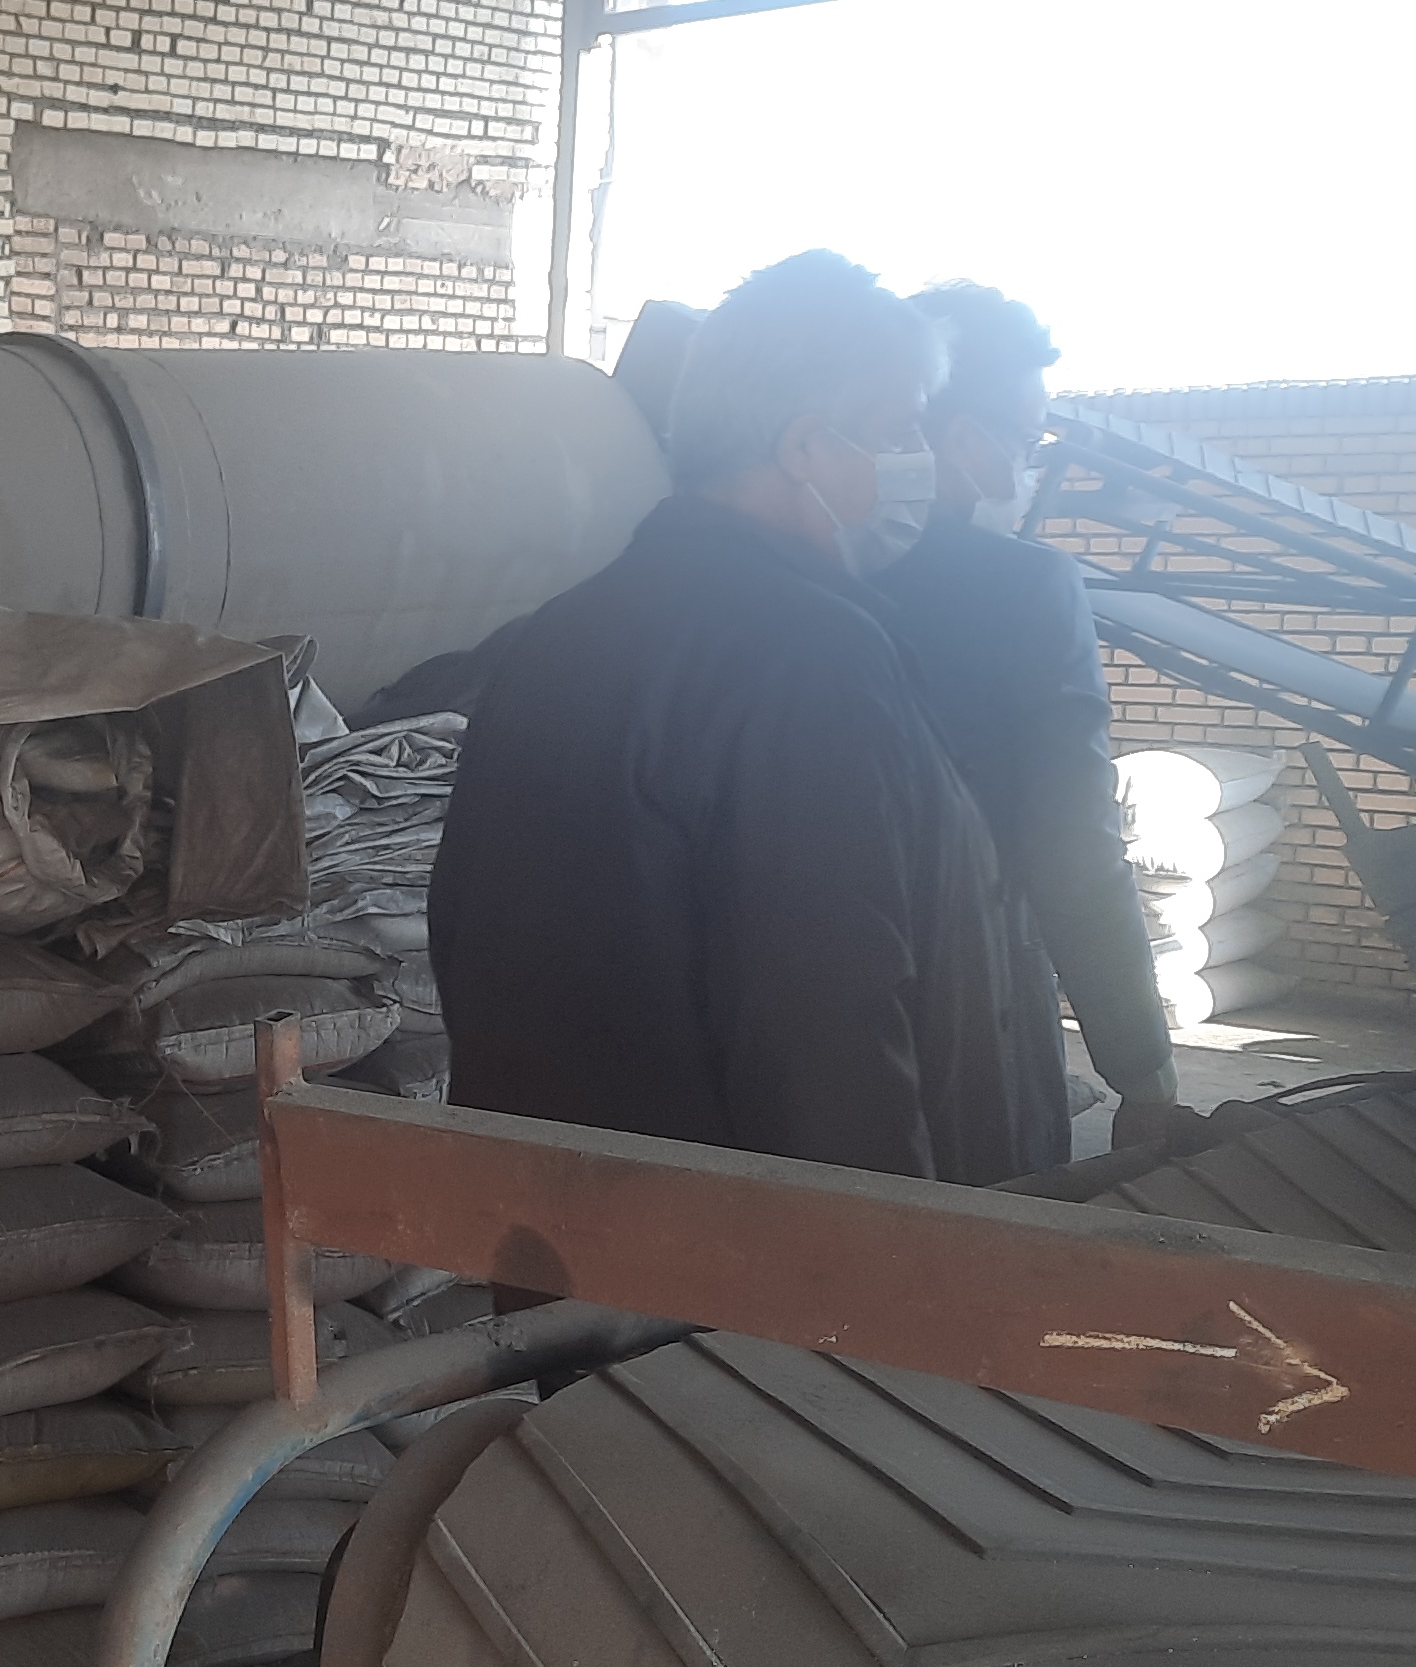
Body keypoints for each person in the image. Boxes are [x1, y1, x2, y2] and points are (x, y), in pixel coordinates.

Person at [426, 248, 1025, 1185]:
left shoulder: (556, 635)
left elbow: (463, 933)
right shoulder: (814, 658)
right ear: (803, 448)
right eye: (899, 429)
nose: (921, 464)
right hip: (736, 1250)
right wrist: (887, 1255)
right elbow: (828, 1023)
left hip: (556, 1219)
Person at [866, 283, 1187, 1162]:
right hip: (968, 1021)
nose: (1027, 469)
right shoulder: (1023, 588)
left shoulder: (792, 578)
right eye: (1027, 440)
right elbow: (1072, 849)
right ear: (964, 440)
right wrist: (1142, 1065)